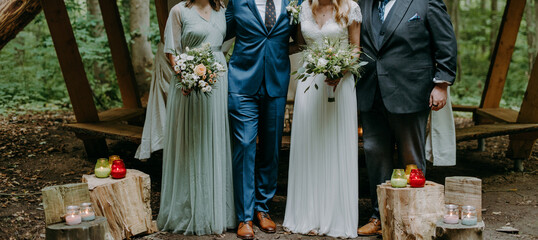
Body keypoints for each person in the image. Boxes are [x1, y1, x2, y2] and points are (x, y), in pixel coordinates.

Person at [356, 0, 457, 235]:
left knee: (411, 157)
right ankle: (380, 215)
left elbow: (445, 41)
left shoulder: (426, 2)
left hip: (411, 90)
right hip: (371, 90)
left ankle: (413, 217)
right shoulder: (364, 4)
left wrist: (442, 83)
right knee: (375, 156)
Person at [282, 0, 362, 238]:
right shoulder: (303, 8)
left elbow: (356, 48)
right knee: (310, 146)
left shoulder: (351, 8)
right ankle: (306, 215)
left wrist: (341, 69)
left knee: (334, 145)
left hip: (340, 83)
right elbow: (298, 44)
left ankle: (336, 217)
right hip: (308, 83)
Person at [156, 0, 235, 235]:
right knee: (192, 142)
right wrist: (185, 77)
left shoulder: (223, 11)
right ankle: (189, 210)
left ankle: (216, 210)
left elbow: (226, 43)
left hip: (218, 80)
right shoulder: (179, 11)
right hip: (188, 84)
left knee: (215, 140)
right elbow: (171, 50)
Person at [225, 0, 298, 238]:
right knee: (245, 146)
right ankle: (244, 217)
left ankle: (262, 209)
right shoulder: (237, 2)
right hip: (242, 83)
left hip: (276, 84)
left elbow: (301, 36)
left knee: (271, 149)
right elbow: (217, 31)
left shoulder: (292, 4)